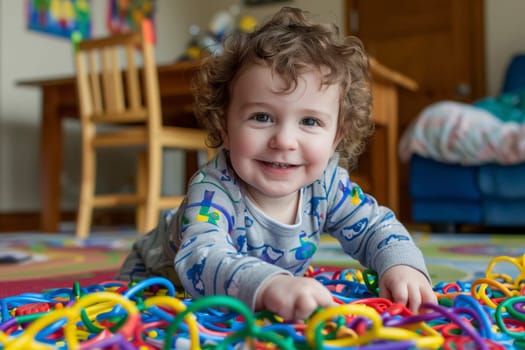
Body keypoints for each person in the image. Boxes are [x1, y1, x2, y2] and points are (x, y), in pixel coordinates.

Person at [117, 6, 437, 321]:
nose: (284, 140)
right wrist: (270, 284)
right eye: (261, 117)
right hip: (154, 276)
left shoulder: (326, 185)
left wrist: (402, 265)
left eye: (310, 121)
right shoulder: (214, 189)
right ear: (224, 129)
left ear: (336, 138)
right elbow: (202, 257)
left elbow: (375, 227)